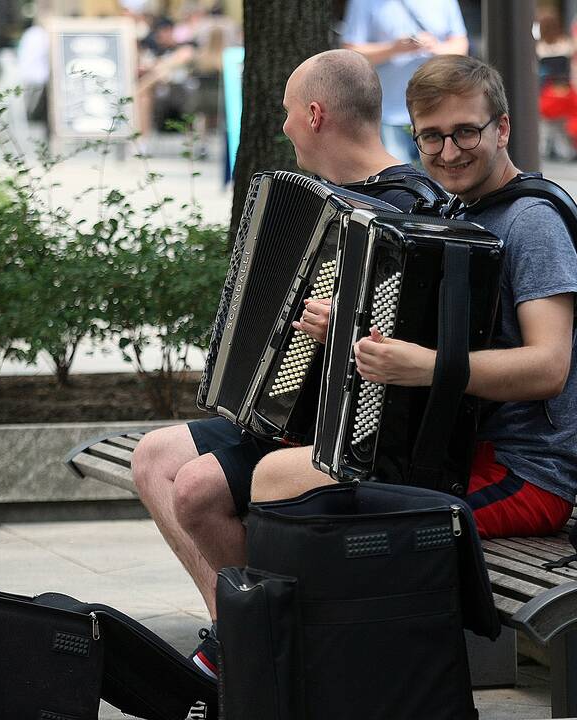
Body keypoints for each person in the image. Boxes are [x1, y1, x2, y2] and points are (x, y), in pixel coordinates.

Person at [130, 48, 441, 680]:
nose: (283, 128)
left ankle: (257, 646)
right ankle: (243, 633)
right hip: (293, 416)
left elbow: (415, 350)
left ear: (317, 113)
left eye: (288, 114)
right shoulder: (315, 199)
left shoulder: (412, 210)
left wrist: (349, 330)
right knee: (154, 458)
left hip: (357, 428)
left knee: (196, 490)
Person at [252, 54, 577, 545]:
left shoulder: (532, 222)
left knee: (289, 487)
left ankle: (319, 623)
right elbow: (435, 333)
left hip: (524, 474)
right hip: (448, 450)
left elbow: (548, 368)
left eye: (466, 132)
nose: (449, 152)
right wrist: (350, 330)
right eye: (432, 136)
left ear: (502, 129)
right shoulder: (453, 213)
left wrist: (428, 366)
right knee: (281, 472)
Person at [340, 0, 469, 164]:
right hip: (387, 116)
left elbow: (461, 46)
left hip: (438, 113)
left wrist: (434, 48)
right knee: (397, 182)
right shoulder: (364, 2)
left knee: (440, 183)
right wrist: (395, 48)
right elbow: (351, 53)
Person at [536, 8, 577, 161]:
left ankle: (556, 146)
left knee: (550, 112)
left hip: (549, 94)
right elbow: (576, 68)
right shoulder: (567, 44)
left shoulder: (537, 48)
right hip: (566, 92)